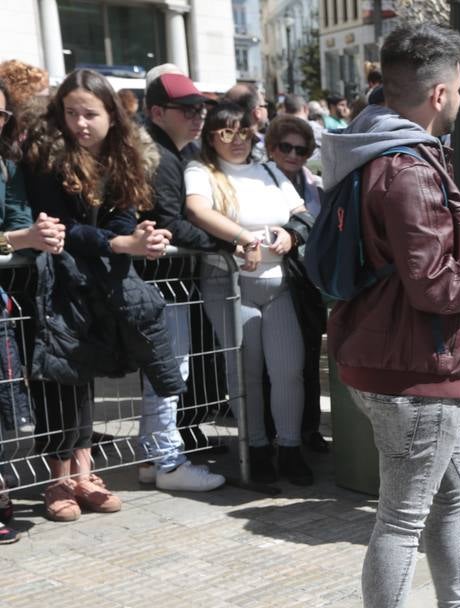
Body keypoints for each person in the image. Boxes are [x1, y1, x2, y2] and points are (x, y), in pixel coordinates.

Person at [319, 23, 460, 608]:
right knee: (401, 517)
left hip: (388, 355)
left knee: (452, 489)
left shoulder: (371, 148)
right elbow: (436, 286)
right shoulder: (407, 168)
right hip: (414, 365)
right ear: (438, 93)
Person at [21, 69, 174, 522]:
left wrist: (137, 236)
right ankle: (57, 481)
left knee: (83, 382)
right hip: (51, 283)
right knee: (57, 382)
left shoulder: (127, 157)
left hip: (94, 286)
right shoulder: (46, 156)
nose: (80, 123)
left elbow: (123, 220)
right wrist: (118, 243)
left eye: (90, 113)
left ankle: (85, 474)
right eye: (71, 113)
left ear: (112, 114)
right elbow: (59, 227)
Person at [184, 101, 314, 486]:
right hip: (229, 285)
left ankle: (289, 448)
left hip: (280, 283)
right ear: (211, 136)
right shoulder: (202, 170)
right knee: (246, 373)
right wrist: (242, 237)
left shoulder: (271, 170)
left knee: (289, 370)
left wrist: (290, 234)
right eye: (226, 132)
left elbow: (303, 213)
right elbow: (196, 210)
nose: (237, 140)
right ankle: (255, 448)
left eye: (243, 131)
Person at [137, 71, 230, 493]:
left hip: (163, 280)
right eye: (188, 109)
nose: (199, 116)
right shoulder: (157, 155)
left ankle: (153, 458)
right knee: (169, 372)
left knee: (165, 372)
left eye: (202, 108)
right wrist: (224, 239)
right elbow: (169, 222)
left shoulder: (167, 152)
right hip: (159, 280)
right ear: (158, 112)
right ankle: (168, 462)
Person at [0, 75, 66, 542]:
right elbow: (16, 231)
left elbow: (20, 216)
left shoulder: (7, 164)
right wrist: (18, 239)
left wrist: (33, 231)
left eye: (1, 113)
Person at [266, 114, 328, 454]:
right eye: (285, 147)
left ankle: (309, 428)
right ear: (272, 147)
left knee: (308, 360)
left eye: (301, 149)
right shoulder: (261, 180)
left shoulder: (315, 184)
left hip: (307, 281)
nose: (292, 154)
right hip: (272, 278)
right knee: (276, 366)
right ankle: (275, 433)